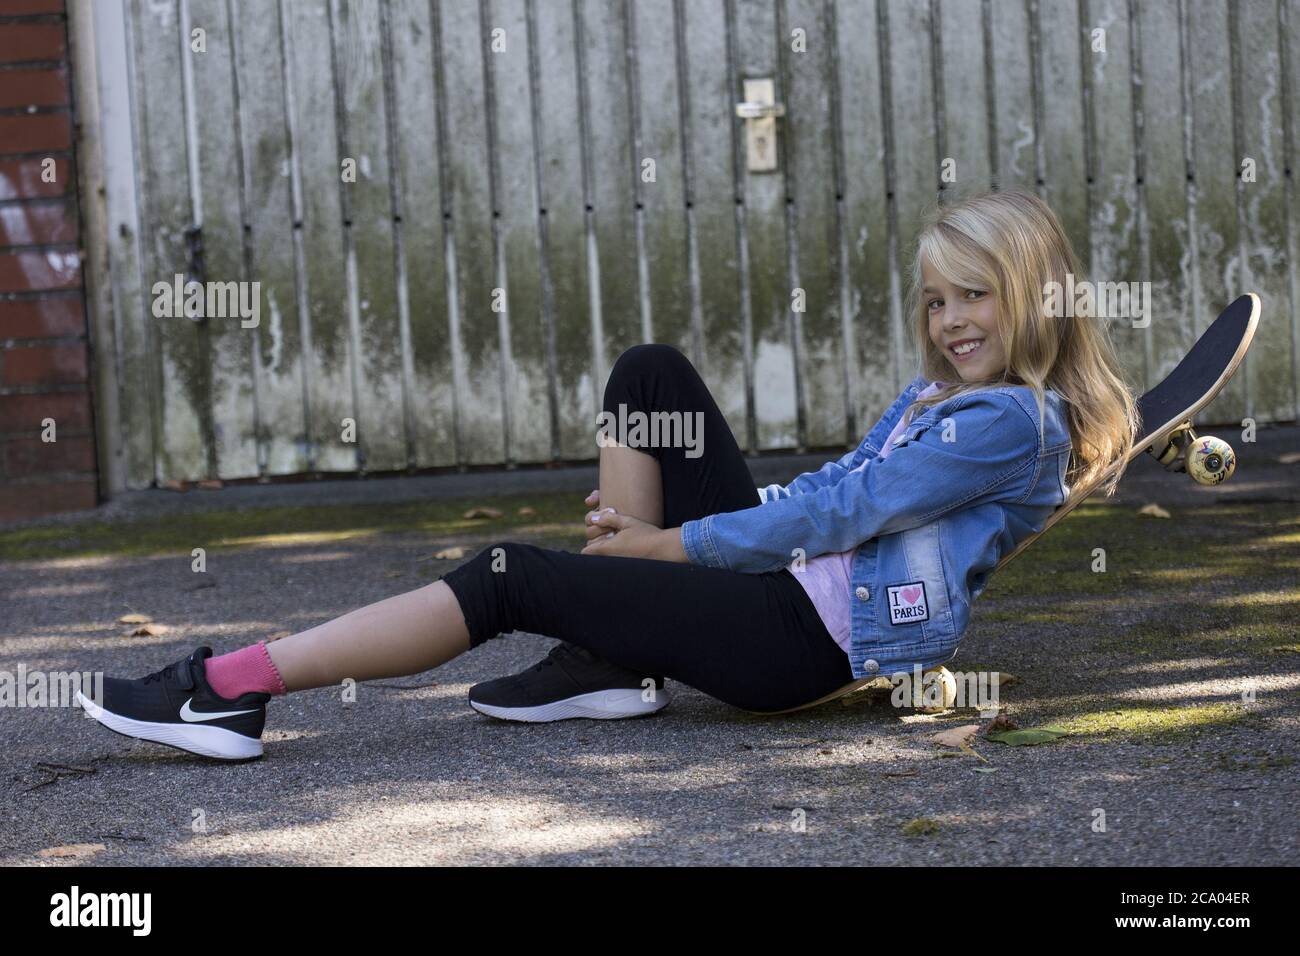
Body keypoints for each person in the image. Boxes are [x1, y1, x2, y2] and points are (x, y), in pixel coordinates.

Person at [77, 188, 1138, 761]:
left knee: (506, 574)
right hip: (789, 586)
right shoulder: (945, 401)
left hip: (800, 638)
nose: (950, 321)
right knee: (649, 378)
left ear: (1036, 298)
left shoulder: (1008, 421)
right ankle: (609, 654)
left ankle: (229, 690)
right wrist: (660, 549)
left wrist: (660, 547)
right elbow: (837, 485)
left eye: (975, 297)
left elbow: (849, 511)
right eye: (935, 301)